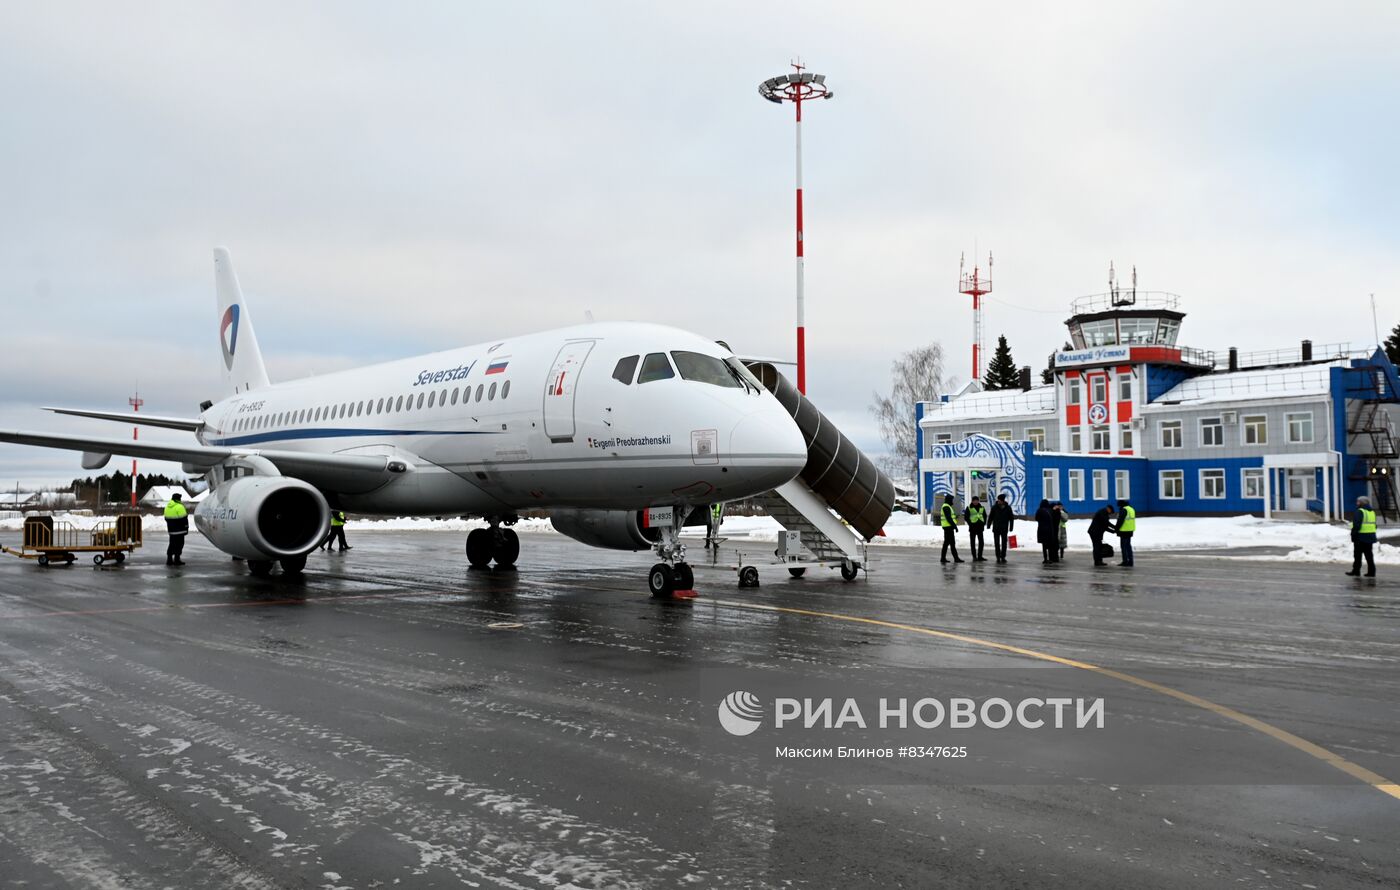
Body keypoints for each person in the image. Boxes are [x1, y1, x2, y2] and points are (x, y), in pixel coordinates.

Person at [1346, 495, 1377, 577]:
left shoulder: (1360, 511)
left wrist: (1353, 534)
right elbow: (1374, 525)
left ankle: (1356, 571)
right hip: (1370, 536)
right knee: (1369, 555)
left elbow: (1357, 525)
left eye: (1358, 501)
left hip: (1361, 536)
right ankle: (1371, 572)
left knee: (1357, 555)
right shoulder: (1372, 512)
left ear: (1361, 503)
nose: (1357, 503)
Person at [164, 492, 188, 565]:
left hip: (171, 531)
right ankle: (177, 559)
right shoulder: (179, 507)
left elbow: (166, 518)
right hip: (180, 531)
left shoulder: (167, 506)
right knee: (179, 544)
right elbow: (184, 519)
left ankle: (169, 559)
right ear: (178, 499)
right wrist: (186, 528)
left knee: (171, 544)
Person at [989, 494, 1014, 563]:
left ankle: (1003, 557)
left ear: (1003, 501)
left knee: (1004, 544)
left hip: (1004, 528)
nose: (998, 501)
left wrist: (1011, 527)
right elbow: (991, 516)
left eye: (1000, 500)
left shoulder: (1008, 508)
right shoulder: (994, 507)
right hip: (996, 528)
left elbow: (1011, 518)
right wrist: (988, 524)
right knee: (997, 543)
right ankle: (998, 557)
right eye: (998, 500)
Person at [939, 494, 964, 564]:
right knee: (949, 543)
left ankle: (946, 558)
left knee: (949, 543)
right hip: (948, 527)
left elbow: (950, 517)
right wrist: (954, 526)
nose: (952, 501)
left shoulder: (948, 506)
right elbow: (948, 518)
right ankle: (953, 558)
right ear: (949, 500)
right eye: (952, 500)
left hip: (949, 527)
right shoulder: (946, 507)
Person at [963, 496, 987, 562]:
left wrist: (984, 522)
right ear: (972, 501)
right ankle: (974, 556)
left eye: (977, 500)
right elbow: (966, 517)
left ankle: (980, 556)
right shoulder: (969, 508)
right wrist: (970, 523)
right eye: (974, 500)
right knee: (973, 543)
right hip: (972, 528)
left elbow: (985, 516)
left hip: (980, 528)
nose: (976, 502)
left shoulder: (982, 507)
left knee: (981, 542)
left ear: (978, 501)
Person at [1114, 499, 1136, 567]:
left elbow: (1120, 521)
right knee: (1128, 546)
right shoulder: (1131, 509)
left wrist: (1116, 529)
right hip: (1130, 530)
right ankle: (1130, 561)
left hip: (1124, 531)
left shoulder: (1124, 510)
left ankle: (1125, 561)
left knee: (1123, 547)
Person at [1035, 499, 1057, 564]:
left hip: (1042, 530)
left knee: (1044, 545)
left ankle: (1045, 559)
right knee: (1050, 545)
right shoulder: (1050, 510)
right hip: (1049, 530)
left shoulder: (1039, 510)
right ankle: (1050, 559)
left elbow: (1036, 518)